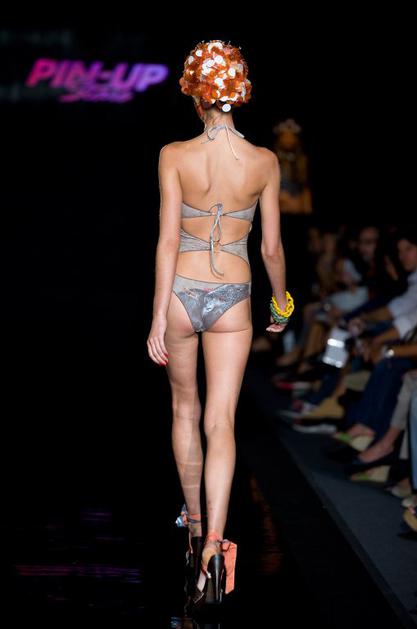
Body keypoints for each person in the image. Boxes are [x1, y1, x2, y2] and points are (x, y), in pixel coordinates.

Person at [146, 39, 293, 610]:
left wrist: (157, 316)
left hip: (181, 294)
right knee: (222, 421)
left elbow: (166, 240)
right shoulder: (264, 161)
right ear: (239, 92)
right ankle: (214, 545)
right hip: (234, 296)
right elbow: (272, 248)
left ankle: (193, 529)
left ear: (195, 94)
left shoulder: (174, 154)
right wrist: (281, 306)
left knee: (184, 409)